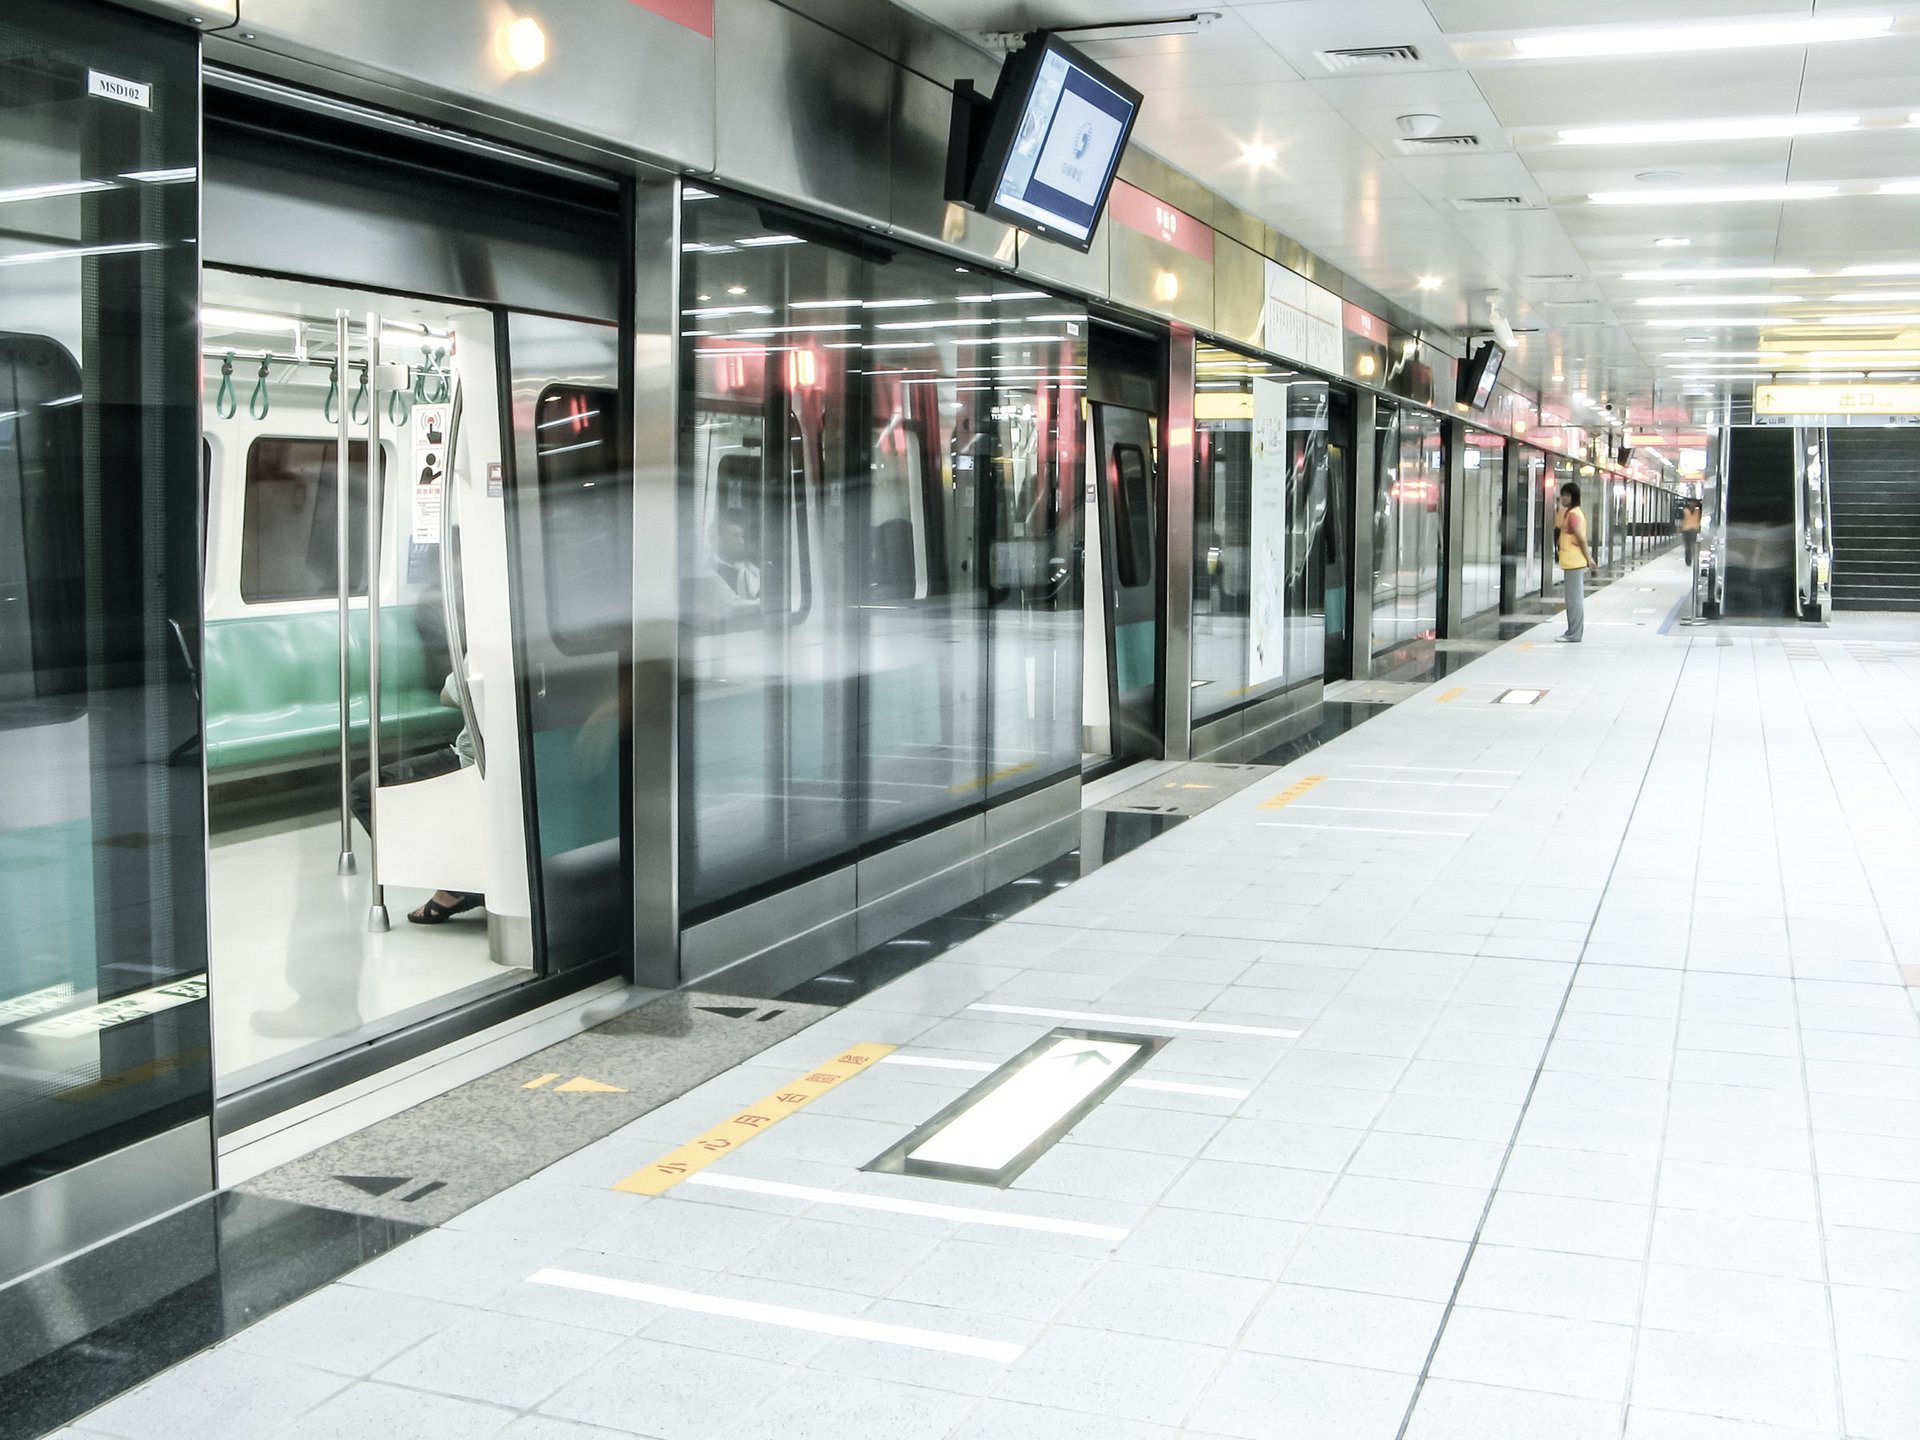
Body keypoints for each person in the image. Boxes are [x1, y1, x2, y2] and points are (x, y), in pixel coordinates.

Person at [1555, 481, 1593, 643]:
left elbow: (1582, 540)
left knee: (1574, 600)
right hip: (1571, 562)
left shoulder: (1573, 515)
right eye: (1562, 495)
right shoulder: (1570, 513)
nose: (1562, 498)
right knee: (1572, 599)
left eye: (1565, 495)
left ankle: (1574, 634)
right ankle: (1572, 631)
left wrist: (1588, 558)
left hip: (1575, 562)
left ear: (1572, 497)